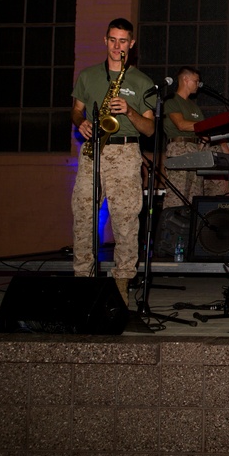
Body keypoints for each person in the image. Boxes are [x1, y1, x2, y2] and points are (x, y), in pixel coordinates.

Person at [71, 18, 155, 305]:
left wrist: (130, 111)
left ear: (131, 44)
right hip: (92, 151)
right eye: (112, 40)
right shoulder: (88, 75)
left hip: (126, 153)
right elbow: (75, 110)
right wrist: (80, 122)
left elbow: (150, 129)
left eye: (123, 41)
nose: (117, 46)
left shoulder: (142, 81)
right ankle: (82, 283)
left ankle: (121, 288)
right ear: (105, 40)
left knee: (126, 221)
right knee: (83, 216)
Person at [162, 66, 229, 209]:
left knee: (194, 198)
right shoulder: (172, 101)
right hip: (180, 149)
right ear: (185, 80)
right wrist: (208, 126)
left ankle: (189, 228)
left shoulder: (194, 106)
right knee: (178, 196)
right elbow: (181, 124)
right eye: (196, 80)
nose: (198, 84)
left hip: (196, 151)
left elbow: (202, 130)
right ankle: (171, 227)